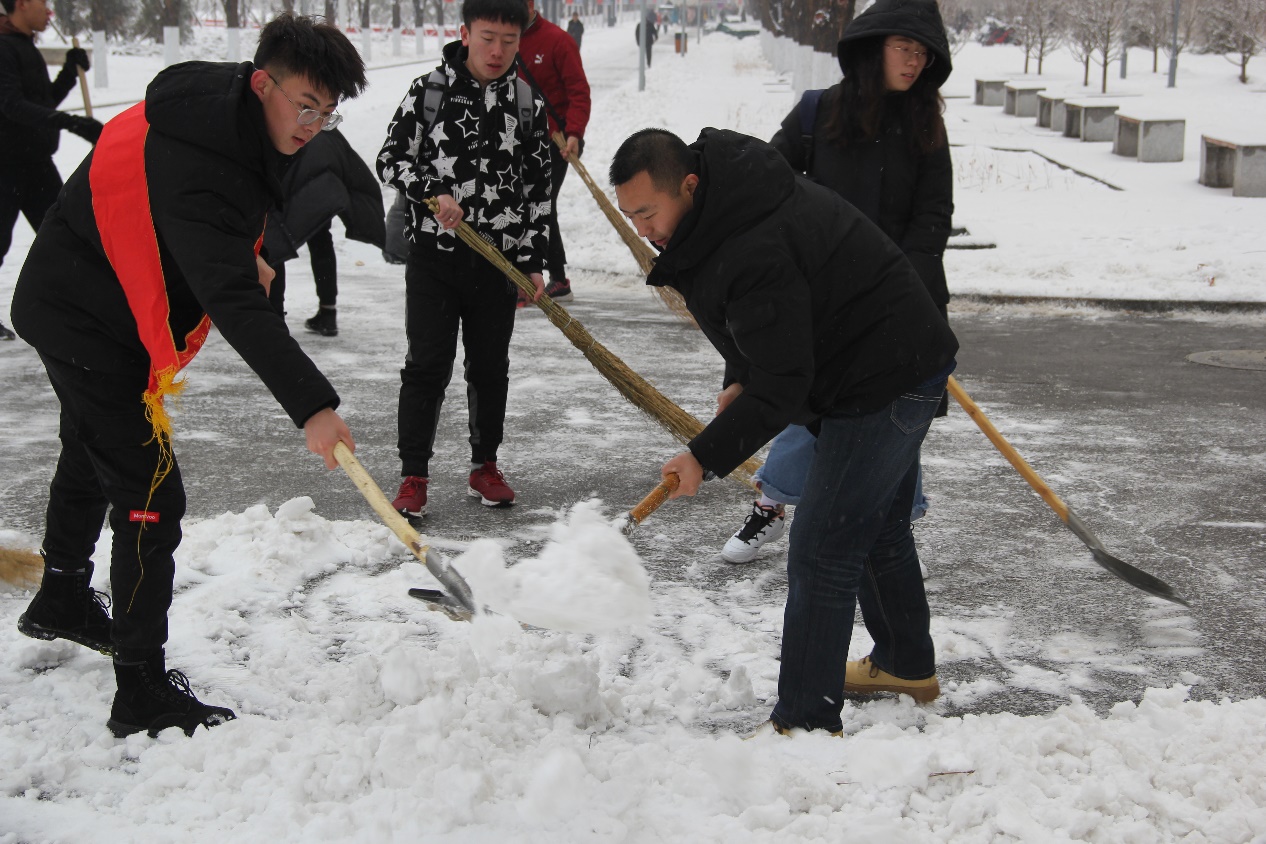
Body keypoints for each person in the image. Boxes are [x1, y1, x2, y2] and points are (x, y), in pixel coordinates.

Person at [10, 13, 366, 738]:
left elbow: (239, 210)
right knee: (150, 494)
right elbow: (235, 300)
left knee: (89, 445)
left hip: (76, 293)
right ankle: (139, 688)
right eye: (305, 106)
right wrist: (314, 407)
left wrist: (255, 243)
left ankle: (62, 597)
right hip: (84, 314)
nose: (313, 124)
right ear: (262, 81)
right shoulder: (208, 163)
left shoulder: (224, 105)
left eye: (327, 113)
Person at [610, 127, 957, 734]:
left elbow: (784, 383)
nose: (642, 228)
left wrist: (703, 455)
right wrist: (739, 373)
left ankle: (803, 720)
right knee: (876, 526)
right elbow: (763, 324)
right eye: (630, 215)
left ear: (687, 186)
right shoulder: (727, 207)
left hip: (881, 380)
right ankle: (904, 664)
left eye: (647, 212)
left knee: (823, 546)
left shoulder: (749, 242)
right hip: (880, 361)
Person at [719, 0, 954, 566]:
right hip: (822, 298)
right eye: (905, 48)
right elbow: (766, 185)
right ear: (874, 49)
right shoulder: (817, 114)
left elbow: (932, 217)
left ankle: (885, 530)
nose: (914, 62)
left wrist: (904, 290)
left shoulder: (926, 125)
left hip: (900, 304)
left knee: (892, 416)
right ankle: (775, 506)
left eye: (923, 53)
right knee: (819, 406)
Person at [378, 0, 552, 519]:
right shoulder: (429, 92)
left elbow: (539, 191)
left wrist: (533, 260)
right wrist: (433, 193)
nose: (497, 50)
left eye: (508, 40)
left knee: (490, 368)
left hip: (497, 265)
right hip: (434, 258)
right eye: (487, 38)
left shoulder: (527, 104)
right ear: (464, 34)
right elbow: (391, 158)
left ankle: (485, 465)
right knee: (427, 366)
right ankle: (414, 474)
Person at [0, 0, 102, 340]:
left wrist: (69, 74)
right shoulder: (3, 48)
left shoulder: (23, 46)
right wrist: (71, 123)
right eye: (43, 3)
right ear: (23, 3)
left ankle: (74, 310)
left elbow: (40, 106)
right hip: (7, 165)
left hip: (36, 163)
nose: (49, 11)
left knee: (67, 234)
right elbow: (11, 106)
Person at [263, 126, 387, 336]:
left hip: (299, 184)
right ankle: (327, 312)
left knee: (274, 244)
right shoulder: (322, 121)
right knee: (320, 242)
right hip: (323, 187)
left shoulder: (286, 115)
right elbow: (351, 165)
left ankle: (276, 319)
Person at [519, 0, 591, 303]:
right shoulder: (502, 39)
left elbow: (579, 92)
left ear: (531, 4)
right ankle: (523, 276)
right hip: (516, 139)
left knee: (541, 203)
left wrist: (574, 132)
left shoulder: (558, 41)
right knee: (516, 203)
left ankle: (557, 277)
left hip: (554, 141)